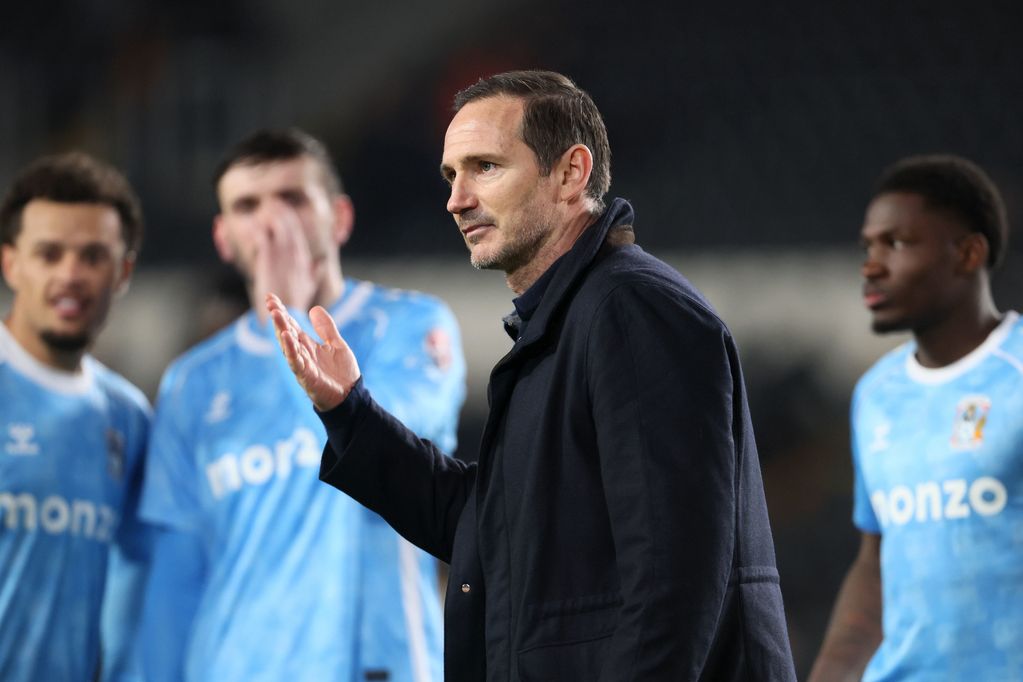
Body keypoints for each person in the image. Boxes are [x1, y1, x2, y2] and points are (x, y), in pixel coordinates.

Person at [269, 70, 796, 681]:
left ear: (571, 173)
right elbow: (490, 523)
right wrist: (349, 412)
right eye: (450, 175)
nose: (456, 199)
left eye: (485, 167)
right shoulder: (567, 324)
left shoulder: (631, 312)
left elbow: (672, 579)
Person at [138, 128, 465, 681]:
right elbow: (177, 568)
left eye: (292, 199)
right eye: (247, 206)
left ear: (339, 218)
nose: (271, 222)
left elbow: (385, 457)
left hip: (377, 663)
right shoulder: (193, 382)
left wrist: (287, 315)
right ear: (222, 237)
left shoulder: (413, 328)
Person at [809, 155, 1022, 681]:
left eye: (897, 243)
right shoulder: (877, 394)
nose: (872, 265)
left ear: (969, 253)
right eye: (868, 246)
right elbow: (876, 565)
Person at [0, 152, 151, 680]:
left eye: (93, 256)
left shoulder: (128, 418)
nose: (71, 275)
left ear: (123, 271)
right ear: (11, 263)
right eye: (49, 254)